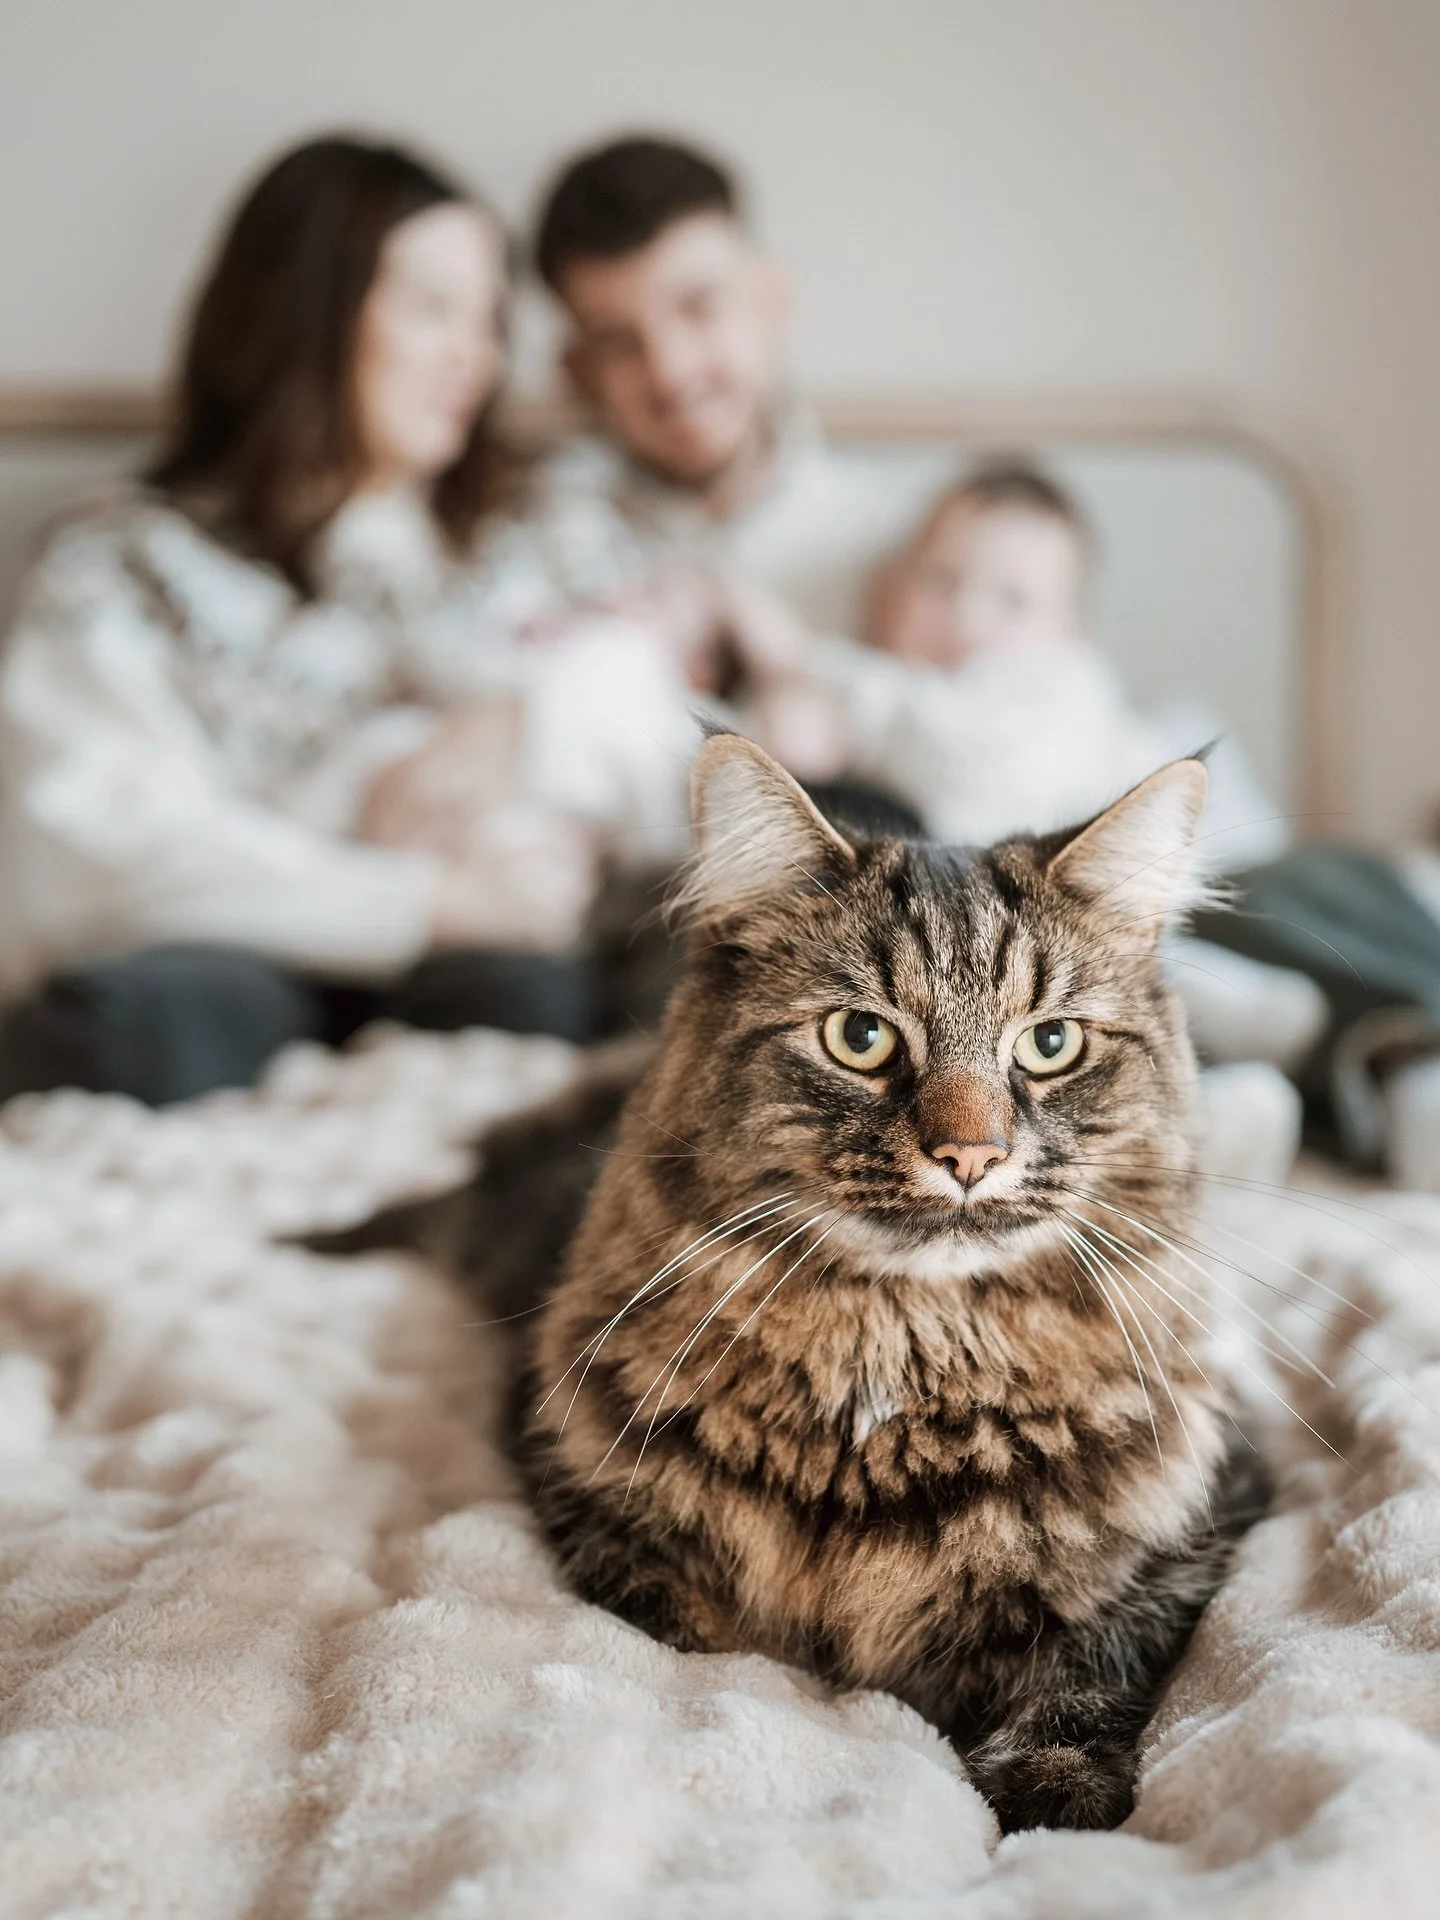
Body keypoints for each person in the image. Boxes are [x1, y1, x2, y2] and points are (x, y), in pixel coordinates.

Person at [0, 135, 694, 1107]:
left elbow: (687, 751)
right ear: (302, 309)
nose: (476, 355)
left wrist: (520, 732)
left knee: (544, 982)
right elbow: (98, 856)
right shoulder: (125, 561)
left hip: (527, 949)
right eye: (434, 308)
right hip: (253, 966)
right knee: (125, 1024)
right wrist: (423, 904)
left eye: (489, 318)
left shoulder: (545, 527)